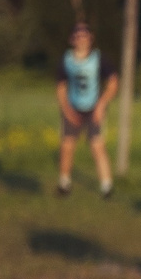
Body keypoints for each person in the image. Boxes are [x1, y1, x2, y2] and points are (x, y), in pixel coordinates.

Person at [54, 21, 115, 198]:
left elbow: (112, 82)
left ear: (91, 38)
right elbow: (61, 87)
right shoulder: (66, 60)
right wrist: (66, 110)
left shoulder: (99, 58)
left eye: (85, 36)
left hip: (94, 107)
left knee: (97, 145)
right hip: (73, 106)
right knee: (67, 145)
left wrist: (102, 105)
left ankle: (106, 186)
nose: (82, 39)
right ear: (72, 39)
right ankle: (64, 183)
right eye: (78, 36)